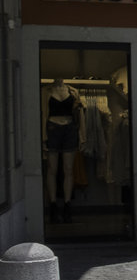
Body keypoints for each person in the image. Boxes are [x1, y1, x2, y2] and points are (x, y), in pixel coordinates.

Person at [41, 78, 83, 223]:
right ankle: (53, 204)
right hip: (52, 128)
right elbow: (43, 114)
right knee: (52, 169)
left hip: (70, 128)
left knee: (68, 169)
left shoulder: (73, 91)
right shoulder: (46, 91)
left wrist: (81, 135)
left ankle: (67, 204)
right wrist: (43, 136)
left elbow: (80, 115)